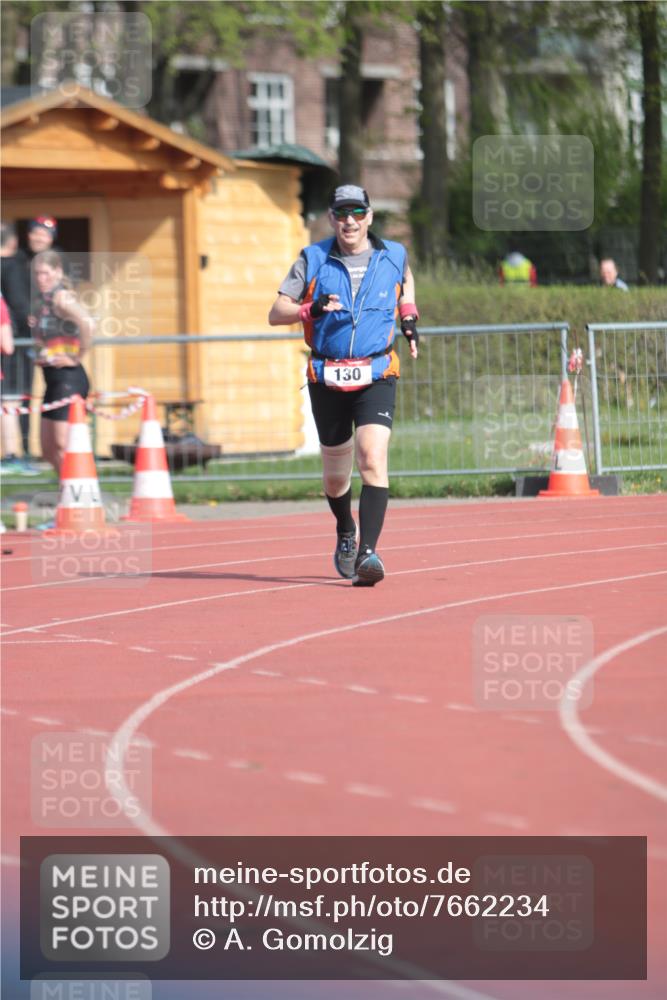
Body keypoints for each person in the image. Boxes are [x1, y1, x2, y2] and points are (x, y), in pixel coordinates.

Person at [268, 184, 419, 587]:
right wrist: (309, 308)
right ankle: (345, 530)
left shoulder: (393, 254)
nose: (349, 221)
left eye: (356, 213)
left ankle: (368, 554)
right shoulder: (313, 258)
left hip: (376, 372)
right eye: (341, 214)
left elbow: (406, 281)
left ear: (369, 217)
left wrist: (408, 317)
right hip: (327, 375)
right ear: (332, 218)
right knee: (337, 476)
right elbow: (276, 312)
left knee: (372, 457)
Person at [30, 250, 95, 474]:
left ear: (58, 272)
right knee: (48, 450)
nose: (41, 278)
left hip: (69, 379)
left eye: (46, 273)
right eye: (37, 273)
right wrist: (41, 352)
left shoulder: (61, 297)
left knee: (63, 445)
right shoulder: (43, 301)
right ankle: (66, 488)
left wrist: (76, 357)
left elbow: (88, 323)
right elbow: (49, 337)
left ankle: (81, 487)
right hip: (53, 380)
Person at [0, 222, 36, 472]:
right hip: (11, 343)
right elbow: (20, 306)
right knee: (11, 400)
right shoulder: (13, 267)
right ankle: (13, 455)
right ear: (13, 242)